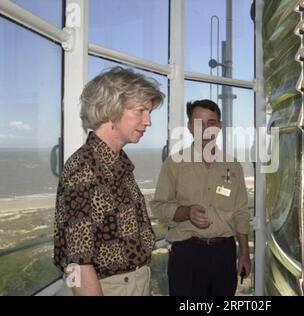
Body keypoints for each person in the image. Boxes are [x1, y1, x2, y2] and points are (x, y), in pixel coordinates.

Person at [53, 66, 165, 296]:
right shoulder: (84, 169)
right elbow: (76, 263)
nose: (148, 121)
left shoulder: (117, 163)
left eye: (149, 112)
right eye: (142, 111)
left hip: (132, 281)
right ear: (111, 110)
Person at [151, 99, 251, 296]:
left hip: (224, 254)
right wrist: (186, 212)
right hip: (186, 255)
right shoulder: (174, 164)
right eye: (199, 123)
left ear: (219, 127)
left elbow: (241, 212)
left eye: (211, 123)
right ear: (189, 127)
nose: (205, 129)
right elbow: (159, 207)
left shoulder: (233, 166)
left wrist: (244, 254)